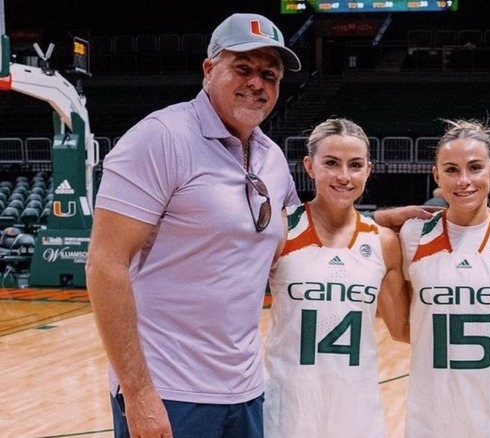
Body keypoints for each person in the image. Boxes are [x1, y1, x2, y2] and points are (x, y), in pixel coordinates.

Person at [85, 13, 429, 438]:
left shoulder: (269, 158)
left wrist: (375, 222)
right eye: (243, 68)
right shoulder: (159, 138)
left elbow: (306, 231)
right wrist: (137, 393)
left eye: (269, 74)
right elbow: (104, 264)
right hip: (171, 390)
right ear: (209, 70)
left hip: (246, 391)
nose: (257, 83)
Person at [263, 118, 410, 437]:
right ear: (309, 166)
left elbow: (402, 329)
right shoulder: (280, 230)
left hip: (357, 411)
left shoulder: (382, 243)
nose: (344, 176)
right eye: (331, 163)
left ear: (368, 170)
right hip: (289, 408)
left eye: (355, 165)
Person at [399, 119, 490, 437]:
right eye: (451, 169)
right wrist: (379, 217)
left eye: (475, 167)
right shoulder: (411, 235)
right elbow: (400, 328)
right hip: (432, 417)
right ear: (436, 175)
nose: (464, 180)